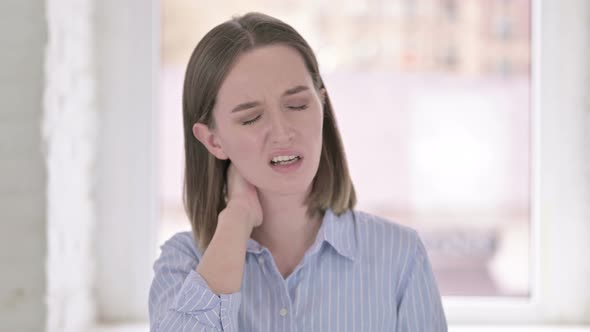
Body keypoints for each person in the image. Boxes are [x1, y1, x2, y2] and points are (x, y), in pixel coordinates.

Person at [149, 12, 447, 332]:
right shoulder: (183, 263)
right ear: (213, 139)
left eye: (297, 106)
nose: (282, 133)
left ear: (321, 105)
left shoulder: (400, 255)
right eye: (251, 118)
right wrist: (236, 217)